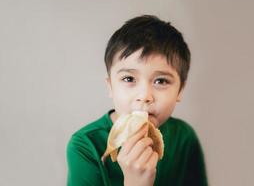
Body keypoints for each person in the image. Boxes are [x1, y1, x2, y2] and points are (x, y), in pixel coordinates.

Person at [66, 15, 208, 186]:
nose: (145, 96)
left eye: (161, 81)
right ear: (110, 86)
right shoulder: (85, 146)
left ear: (180, 90)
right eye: (128, 79)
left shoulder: (185, 138)